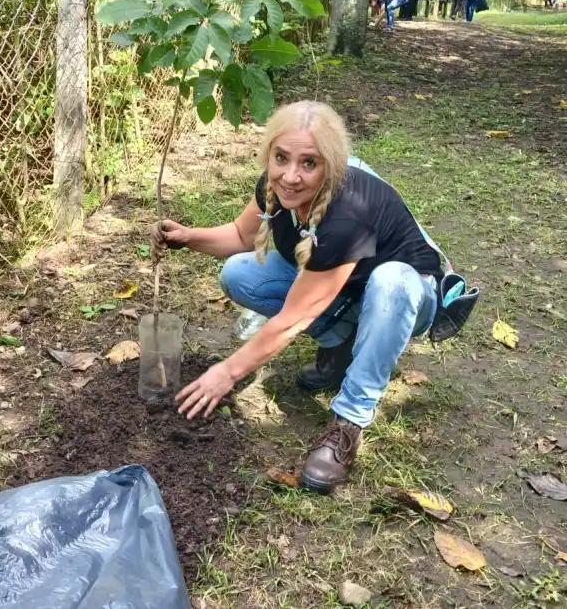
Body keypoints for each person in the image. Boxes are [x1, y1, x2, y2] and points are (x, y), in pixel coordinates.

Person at [151, 102, 447, 495]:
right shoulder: (274, 187)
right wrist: (189, 237)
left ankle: (349, 421)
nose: (290, 176)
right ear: (269, 154)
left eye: (309, 163)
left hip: (408, 295)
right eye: (281, 159)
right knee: (240, 273)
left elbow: (293, 318)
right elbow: (240, 236)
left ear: (331, 165)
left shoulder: (348, 211)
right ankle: (340, 345)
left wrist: (226, 373)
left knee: (390, 282)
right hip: (342, 288)